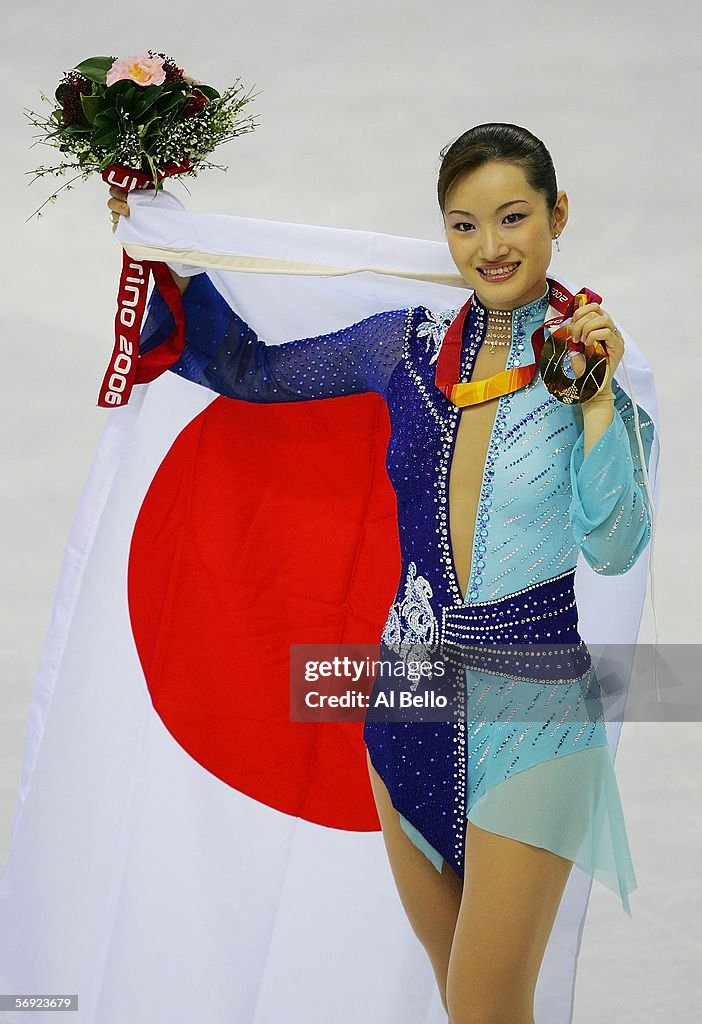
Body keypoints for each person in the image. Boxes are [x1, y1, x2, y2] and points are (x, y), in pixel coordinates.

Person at [108, 122, 656, 1024]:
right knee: (460, 1005)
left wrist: (598, 407)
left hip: (530, 710)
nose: (490, 246)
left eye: (513, 216)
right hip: (405, 695)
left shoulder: (582, 366)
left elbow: (614, 543)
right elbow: (250, 368)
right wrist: (162, 247)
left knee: (489, 1004)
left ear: (557, 214)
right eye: (463, 224)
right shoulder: (404, 346)